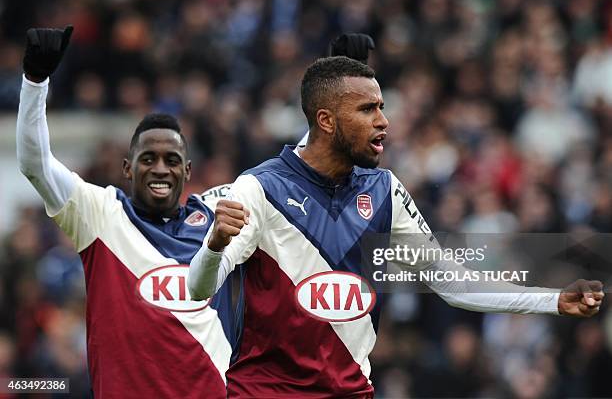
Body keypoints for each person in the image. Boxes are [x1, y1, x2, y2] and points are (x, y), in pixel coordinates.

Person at [188, 56, 605, 397]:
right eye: (367, 109)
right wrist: (215, 244)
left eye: (382, 107)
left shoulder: (384, 189)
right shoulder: (260, 187)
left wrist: (552, 300)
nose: (383, 121)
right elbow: (198, 288)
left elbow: (453, 283)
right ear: (327, 121)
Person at [16, 26, 234, 398]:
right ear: (128, 168)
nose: (161, 169)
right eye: (148, 159)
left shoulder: (216, 218)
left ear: (188, 171)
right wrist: (35, 82)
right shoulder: (100, 213)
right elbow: (35, 164)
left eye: (172, 160)